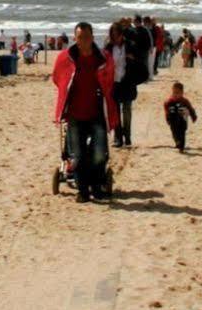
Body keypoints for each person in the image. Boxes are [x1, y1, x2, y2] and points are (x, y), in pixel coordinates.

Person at [52, 22, 118, 202]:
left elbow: (110, 80)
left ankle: (96, 188)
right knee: (78, 157)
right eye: (80, 37)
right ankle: (83, 191)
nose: (84, 41)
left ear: (93, 37)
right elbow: (57, 78)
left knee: (98, 155)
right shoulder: (65, 58)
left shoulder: (103, 58)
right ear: (75, 38)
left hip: (96, 113)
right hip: (74, 114)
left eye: (87, 37)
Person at [114, 19, 149, 147]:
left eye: (117, 35)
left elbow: (141, 60)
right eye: (113, 35)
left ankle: (127, 136)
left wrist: (133, 59)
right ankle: (118, 137)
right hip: (114, 83)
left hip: (127, 81)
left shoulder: (130, 45)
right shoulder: (109, 47)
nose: (115, 38)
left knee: (127, 110)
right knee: (116, 111)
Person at [163, 82, 198, 152]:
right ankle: (177, 142)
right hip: (173, 120)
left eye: (177, 93)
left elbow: (190, 108)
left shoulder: (184, 101)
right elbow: (166, 110)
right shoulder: (169, 102)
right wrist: (167, 118)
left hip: (183, 119)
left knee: (182, 132)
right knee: (174, 132)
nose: (175, 94)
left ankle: (181, 147)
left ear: (182, 93)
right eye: (173, 92)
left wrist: (193, 116)